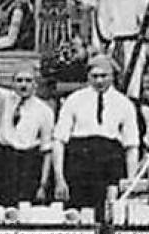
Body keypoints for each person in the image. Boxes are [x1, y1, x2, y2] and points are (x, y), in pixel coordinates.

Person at [52, 53, 139, 216]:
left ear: (112, 76)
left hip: (109, 165)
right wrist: (59, 177)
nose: (99, 81)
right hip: (79, 165)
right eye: (94, 76)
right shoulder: (74, 100)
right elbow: (59, 140)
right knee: (77, 214)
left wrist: (131, 182)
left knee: (108, 213)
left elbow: (131, 146)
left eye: (104, 76)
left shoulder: (124, 104)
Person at [0, 67, 54, 207]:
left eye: (28, 81)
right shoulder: (4, 98)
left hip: (26, 163)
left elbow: (46, 150)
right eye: (19, 81)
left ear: (35, 84)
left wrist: (43, 184)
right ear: (12, 84)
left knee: (23, 207)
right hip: (2, 159)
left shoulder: (44, 111)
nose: (23, 85)